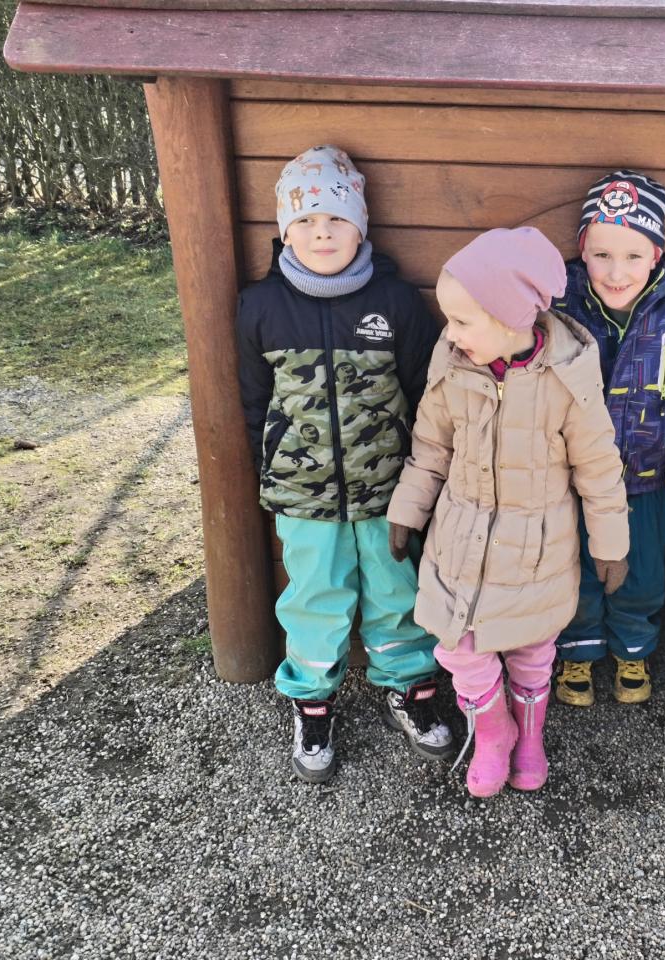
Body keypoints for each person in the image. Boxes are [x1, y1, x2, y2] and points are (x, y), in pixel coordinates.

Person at [236, 145, 453, 784]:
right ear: (284, 231)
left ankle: (409, 688)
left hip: (389, 491)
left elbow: (426, 394)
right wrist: (269, 469)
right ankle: (312, 701)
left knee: (396, 592)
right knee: (314, 597)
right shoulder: (261, 307)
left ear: (360, 225)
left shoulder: (396, 301)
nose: (321, 232)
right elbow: (253, 401)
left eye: (336, 218)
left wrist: (425, 480)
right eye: (304, 220)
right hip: (302, 495)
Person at [387, 227, 629, 798]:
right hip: (460, 541)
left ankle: (530, 736)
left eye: (463, 320)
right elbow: (432, 446)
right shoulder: (453, 365)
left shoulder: (567, 378)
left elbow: (598, 465)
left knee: (532, 650)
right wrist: (409, 508)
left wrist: (610, 543)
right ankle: (494, 732)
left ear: (510, 317)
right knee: (458, 646)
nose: (450, 331)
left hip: (535, 551)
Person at [552, 170, 665, 707]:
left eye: (634, 256)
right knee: (578, 566)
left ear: (656, 255)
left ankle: (632, 647)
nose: (617, 272)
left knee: (640, 572)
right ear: (582, 252)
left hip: (645, 471)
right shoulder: (561, 301)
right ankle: (578, 648)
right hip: (575, 474)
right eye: (602, 255)